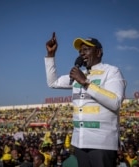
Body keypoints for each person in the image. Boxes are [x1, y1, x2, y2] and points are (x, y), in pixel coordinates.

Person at [44, 32, 126, 167]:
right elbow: (53, 83)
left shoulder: (111, 71)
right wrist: (51, 55)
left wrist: (85, 83)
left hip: (102, 143)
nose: (82, 53)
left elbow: (115, 102)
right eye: (80, 51)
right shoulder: (78, 75)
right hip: (79, 143)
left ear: (98, 52)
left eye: (86, 49)